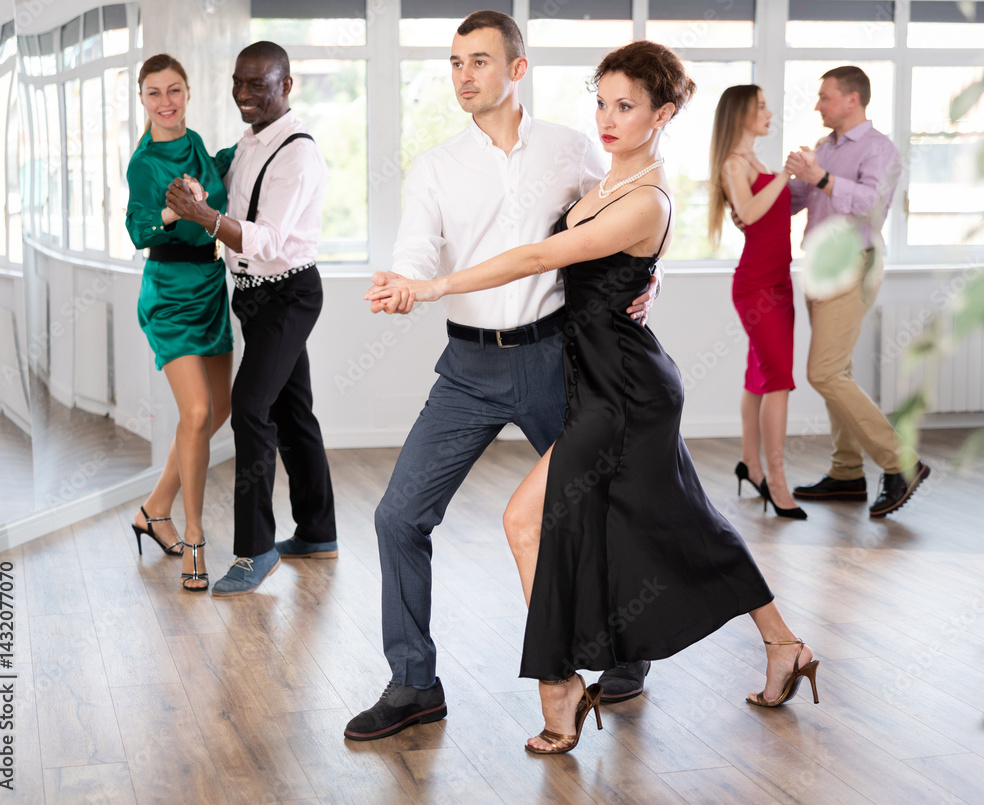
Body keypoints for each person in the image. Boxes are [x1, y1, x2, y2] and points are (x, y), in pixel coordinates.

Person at [367, 40, 819, 756]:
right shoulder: (602, 179)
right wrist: (653, 273)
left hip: (625, 390)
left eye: (627, 106)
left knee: (525, 520)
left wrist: (433, 287)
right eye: (602, 102)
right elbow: (614, 261)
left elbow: (544, 256)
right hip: (598, 376)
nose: (608, 118)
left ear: (663, 113)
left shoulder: (642, 195)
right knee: (682, 521)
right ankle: (783, 643)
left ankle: (560, 688)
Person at [343, 11, 657, 743]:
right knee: (399, 515)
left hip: (557, 358)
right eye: (455, 63)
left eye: (478, 61)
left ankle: (627, 648)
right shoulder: (435, 166)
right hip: (468, 367)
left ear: (517, 69)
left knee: (600, 503)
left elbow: (628, 217)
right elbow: (418, 253)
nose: (463, 75)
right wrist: (407, 284)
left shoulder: (575, 149)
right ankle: (414, 680)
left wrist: (655, 278)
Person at [165, 41, 337, 596]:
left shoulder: (298, 153)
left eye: (257, 84)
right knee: (293, 412)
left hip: (287, 294)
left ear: (287, 86)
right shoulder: (250, 140)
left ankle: (255, 550)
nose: (244, 93)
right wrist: (201, 196)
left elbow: (266, 240)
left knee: (249, 410)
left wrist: (204, 217)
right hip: (256, 296)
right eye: (238, 82)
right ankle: (317, 531)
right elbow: (239, 210)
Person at [786, 67, 929, 517]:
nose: (817, 105)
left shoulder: (879, 149)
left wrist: (821, 176)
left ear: (852, 99)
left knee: (825, 372)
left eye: (825, 97)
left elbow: (871, 205)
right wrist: (764, 192)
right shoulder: (826, 148)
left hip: (855, 264)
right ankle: (847, 473)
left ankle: (899, 462)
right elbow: (802, 198)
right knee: (838, 370)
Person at [126, 54, 236, 592]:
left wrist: (267, 138)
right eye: (154, 93)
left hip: (211, 287)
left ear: (188, 93)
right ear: (142, 99)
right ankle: (194, 537)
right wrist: (174, 211)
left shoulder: (197, 147)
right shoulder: (144, 163)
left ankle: (153, 509)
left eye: (174, 90)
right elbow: (139, 229)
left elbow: (222, 166)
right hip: (169, 294)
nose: (166, 102)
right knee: (195, 412)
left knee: (218, 411)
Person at [708, 85, 805, 520]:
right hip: (757, 287)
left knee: (759, 378)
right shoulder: (733, 162)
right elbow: (748, 213)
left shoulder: (756, 162)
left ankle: (751, 464)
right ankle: (778, 483)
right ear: (741, 114)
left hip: (779, 283)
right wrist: (785, 176)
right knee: (779, 380)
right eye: (761, 106)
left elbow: (774, 214)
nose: (769, 112)